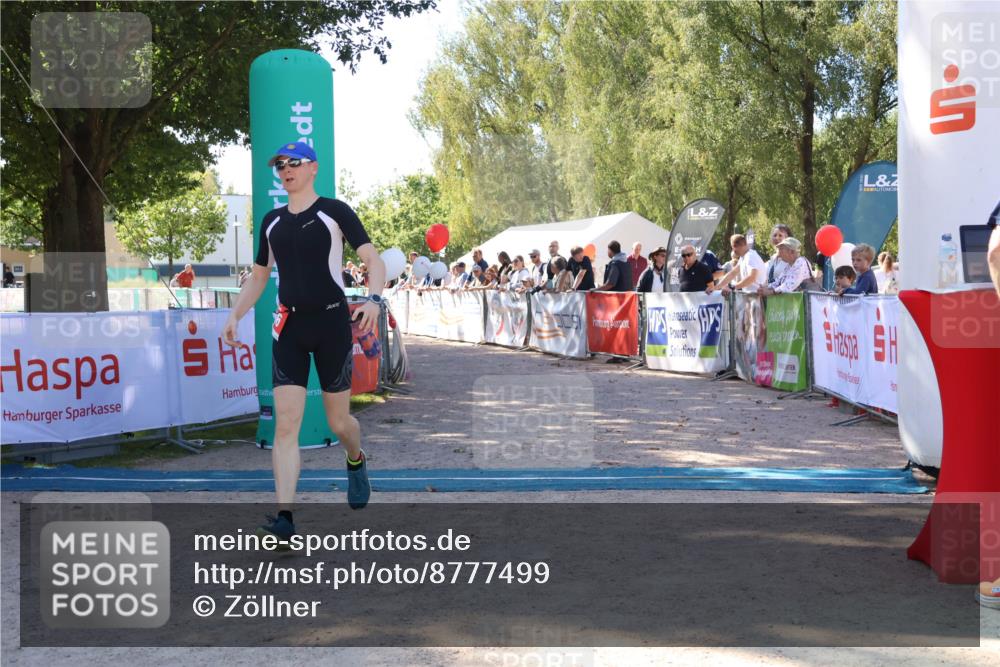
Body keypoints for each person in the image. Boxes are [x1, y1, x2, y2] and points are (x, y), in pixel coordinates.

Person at [222, 140, 383, 541]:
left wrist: (375, 299)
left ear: (313, 168)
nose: (286, 169)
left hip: (331, 327)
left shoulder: (335, 211)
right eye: (280, 164)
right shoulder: (271, 221)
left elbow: (373, 261)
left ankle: (355, 457)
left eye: (294, 162)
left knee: (338, 421)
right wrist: (235, 314)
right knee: (286, 425)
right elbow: (260, 276)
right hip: (289, 330)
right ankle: (285, 518)